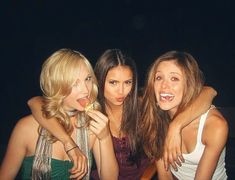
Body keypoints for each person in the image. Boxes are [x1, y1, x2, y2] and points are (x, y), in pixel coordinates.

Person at [26, 49, 217, 179]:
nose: (122, 92)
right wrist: (69, 143)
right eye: (113, 83)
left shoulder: (143, 105)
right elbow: (36, 103)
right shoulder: (90, 108)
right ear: (99, 82)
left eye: (128, 82)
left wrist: (176, 126)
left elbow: (209, 92)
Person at [0, 49, 118, 180]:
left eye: (88, 79)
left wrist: (105, 137)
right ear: (57, 84)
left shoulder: (91, 126)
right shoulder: (26, 128)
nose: (86, 90)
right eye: (74, 83)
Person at [140, 50, 228, 179]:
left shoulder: (214, 125)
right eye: (159, 78)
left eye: (174, 78)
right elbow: (164, 175)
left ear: (189, 84)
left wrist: (175, 126)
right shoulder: (154, 119)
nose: (164, 85)